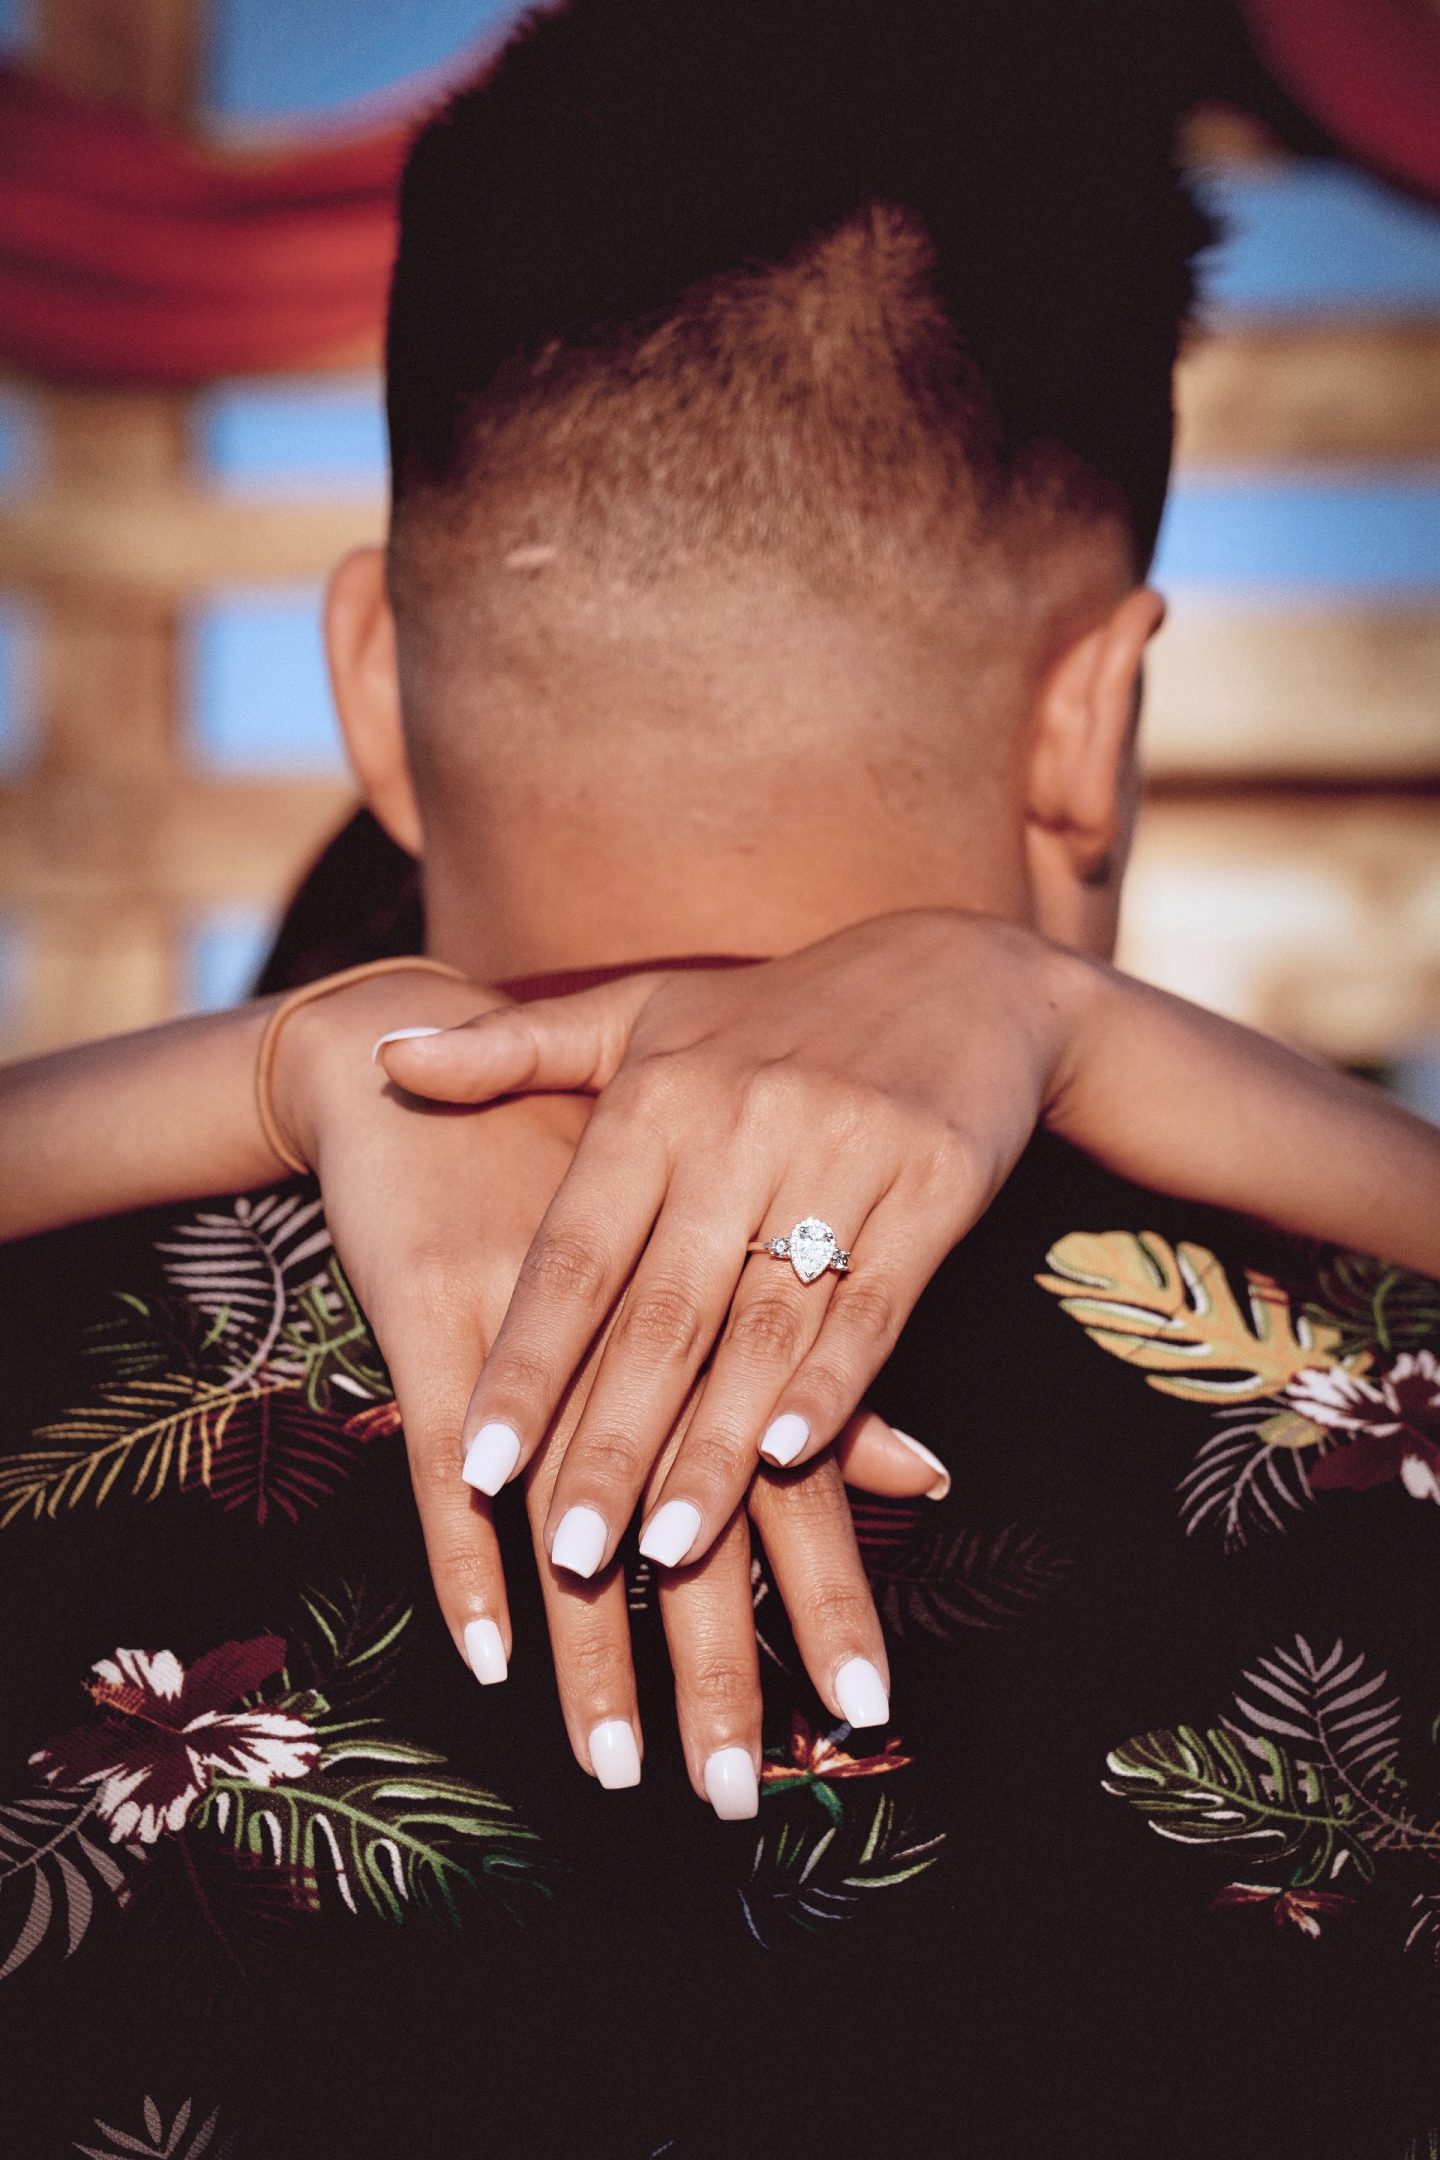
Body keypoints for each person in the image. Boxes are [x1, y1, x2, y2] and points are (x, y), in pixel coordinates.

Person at [2, 2, 1439, 2153]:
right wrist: (1112, 1039)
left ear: (375, 688)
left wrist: (265, 1067)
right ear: (1092, 718)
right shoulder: (1375, 1422)